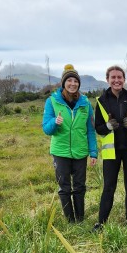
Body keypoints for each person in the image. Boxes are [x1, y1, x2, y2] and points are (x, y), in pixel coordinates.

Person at [41, 64, 97, 223]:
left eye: (75, 81)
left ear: (79, 83)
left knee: (79, 187)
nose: (73, 84)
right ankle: (70, 220)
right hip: (60, 152)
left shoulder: (85, 103)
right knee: (64, 188)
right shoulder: (52, 101)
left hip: (80, 151)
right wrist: (54, 122)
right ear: (63, 82)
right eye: (69, 80)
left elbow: (91, 130)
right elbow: (46, 128)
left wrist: (93, 152)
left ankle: (80, 219)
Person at [93, 65, 127, 229]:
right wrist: (107, 126)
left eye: (119, 77)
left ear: (124, 79)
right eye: (113, 77)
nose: (116, 80)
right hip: (111, 152)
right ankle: (101, 223)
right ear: (107, 79)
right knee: (109, 187)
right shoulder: (101, 102)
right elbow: (99, 128)